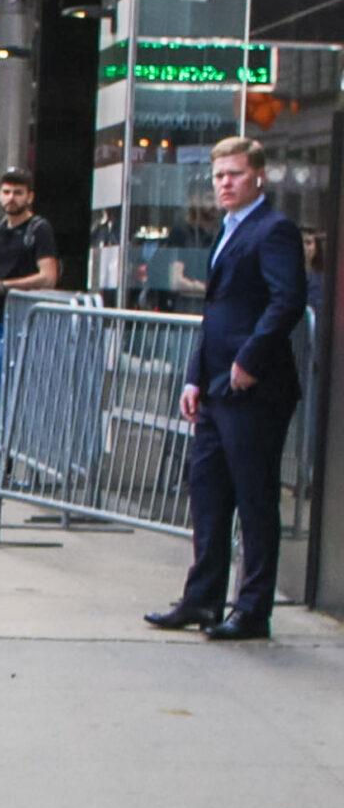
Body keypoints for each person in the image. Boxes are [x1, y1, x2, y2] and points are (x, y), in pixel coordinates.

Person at [145, 136, 307, 642]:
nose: (224, 184)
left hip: (254, 388)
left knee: (255, 500)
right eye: (218, 176)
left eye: (234, 174)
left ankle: (252, 609)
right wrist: (194, 376)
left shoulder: (273, 230)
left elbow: (287, 301)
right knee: (208, 494)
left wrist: (249, 360)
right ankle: (203, 599)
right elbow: (214, 313)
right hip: (215, 388)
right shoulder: (226, 230)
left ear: (257, 175)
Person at [0, 169, 59, 485]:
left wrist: (4, 287)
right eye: (6, 192)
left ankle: (2, 462)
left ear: (29, 196)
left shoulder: (39, 229)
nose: (11, 198)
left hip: (14, 320)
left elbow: (49, 276)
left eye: (18, 192)